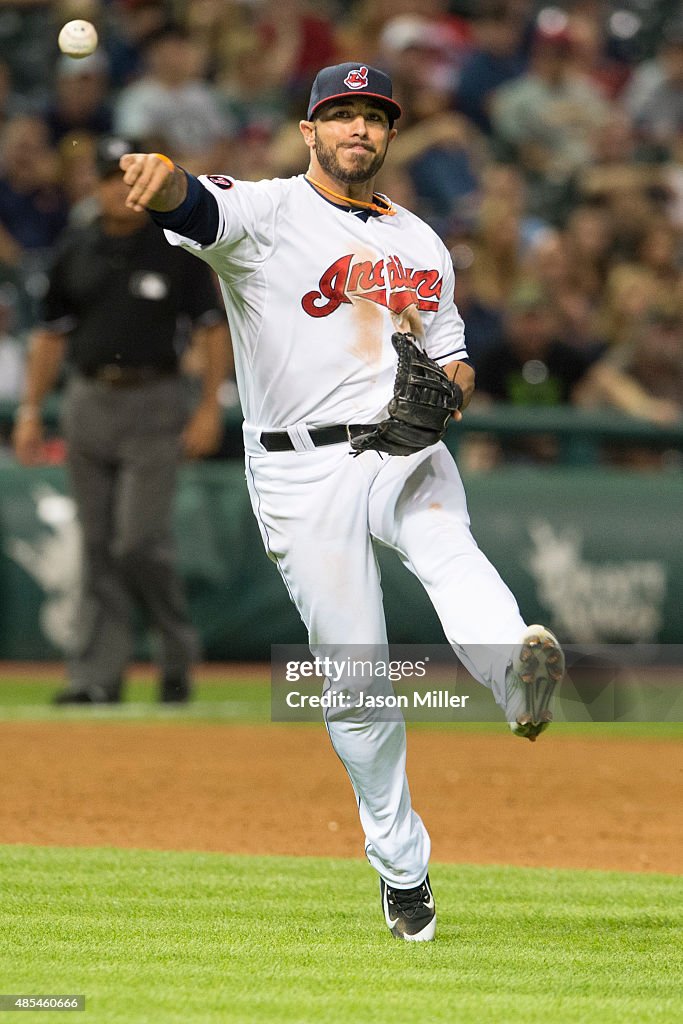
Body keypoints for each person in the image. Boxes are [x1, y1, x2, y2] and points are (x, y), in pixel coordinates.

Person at [117, 63, 564, 942]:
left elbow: (455, 355)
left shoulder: (423, 242)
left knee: (446, 546)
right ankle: (402, 870)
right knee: (356, 680)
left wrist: (454, 392)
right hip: (295, 470)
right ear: (309, 129)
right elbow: (194, 207)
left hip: (398, 444)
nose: (358, 128)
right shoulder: (269, 211)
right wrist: (162, 178)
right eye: (341, 114)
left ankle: (516, 675)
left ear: (390, 135)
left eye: (372, 115)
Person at [12, 134, 231, 705]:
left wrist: (209, 404)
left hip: (155, 399)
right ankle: (96, 676)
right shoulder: (75, 247)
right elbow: (49, 335)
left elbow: (211, 326)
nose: (117, 188)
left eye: (125, 177)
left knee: (137, 541)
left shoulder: (173, 248)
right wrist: (32, 410)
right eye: (108, 178)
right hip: (88, 398)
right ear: (96, 185)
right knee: (97, 543)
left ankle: (176, 652)